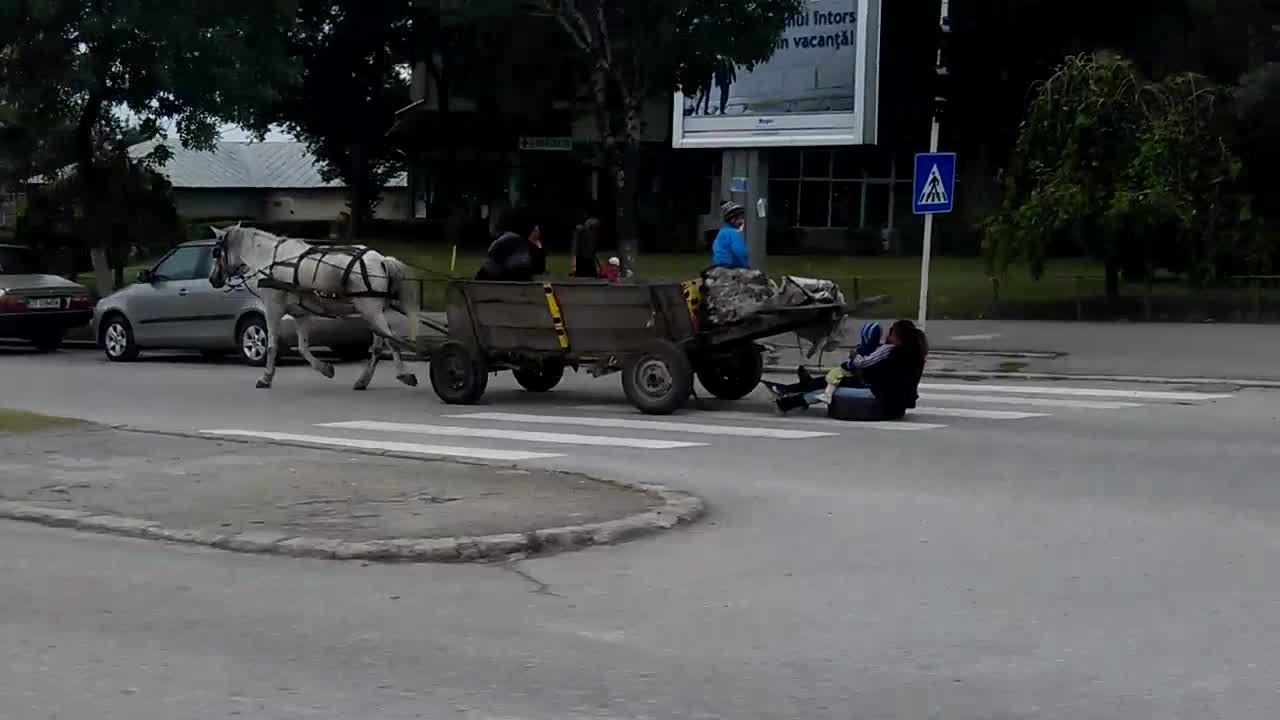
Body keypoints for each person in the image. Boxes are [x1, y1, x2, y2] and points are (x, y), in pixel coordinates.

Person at [767, 320, 929, 421]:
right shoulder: (915, 354)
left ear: (899, 336)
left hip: (882, 398)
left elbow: (869, 367)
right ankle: (797, 390)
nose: (888, 338)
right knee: (834, 379)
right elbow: (886, 374)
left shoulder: (894, 351)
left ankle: (787, 402)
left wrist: (854, 363)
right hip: (895, 401)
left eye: (891, 334)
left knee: (832, 383)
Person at [475, 207, 547, 281]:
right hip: (505, 286)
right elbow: (531, 272)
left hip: (491, 286)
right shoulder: (514, 242)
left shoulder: (513, 241)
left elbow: (539, 270)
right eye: (536, 229)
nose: (538, 232)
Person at [711, 201, 750, 269]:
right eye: (740, 218)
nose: (742, 221)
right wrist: (745, 266)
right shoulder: (733, 233)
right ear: (732, 219)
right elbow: (740, 251)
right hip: (730, 268)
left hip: (718, 268)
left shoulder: (722, 231)